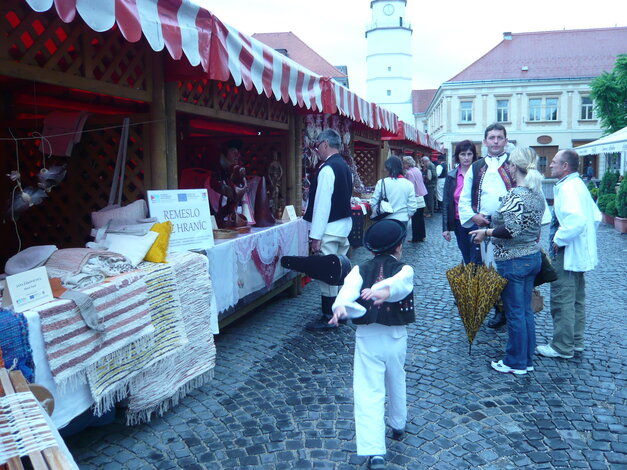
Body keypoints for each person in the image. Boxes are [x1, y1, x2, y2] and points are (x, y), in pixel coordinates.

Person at [329, 219, 414, 470]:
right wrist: (385, 290)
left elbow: (347, 291)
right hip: (396, 335)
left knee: (368, 390)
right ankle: (398, 423)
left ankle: (374, 451)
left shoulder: (358, 270)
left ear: (371, 249)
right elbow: (402, 283)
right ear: (399, 246)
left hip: (367, 336)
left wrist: (341, 307)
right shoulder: (405, 268)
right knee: (396, 377)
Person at [470, 147, 545, 375]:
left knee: (515, 313)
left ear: (515, 167)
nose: (509, 168)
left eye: (510, 164)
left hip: (513, 261)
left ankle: (515, 362)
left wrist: (488, 232)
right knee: (524, 312)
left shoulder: (516, 194)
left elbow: (510, 229)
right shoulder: (537, 194)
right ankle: (526, 359)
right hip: (531, 256)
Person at [536, 149, 601, 359]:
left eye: (555, 162)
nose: (551, 165)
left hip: (567, 252)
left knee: (562, 298)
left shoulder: (568, 188)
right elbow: (595, 217)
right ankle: (576, 341)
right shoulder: (577, 185)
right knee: (576, 299)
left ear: (565, 166)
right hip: (578, 251)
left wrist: (558, 239)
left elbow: (577, 221)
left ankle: (562, 346)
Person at [458, 123, 514, 328]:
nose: (496, 141)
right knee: (488, 270)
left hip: (509, 227)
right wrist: (474, 217)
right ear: (485, 142)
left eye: (500, 137)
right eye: (492, 138)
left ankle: (511, 308)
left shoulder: (515, 164)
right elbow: (464, 196)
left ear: (506, 141)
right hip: (484, 226)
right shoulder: (476, 166)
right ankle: (498, 309)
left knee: (508, 269)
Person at [303, 129, 353, 331]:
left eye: (317, 146)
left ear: (324, 144)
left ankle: (329, 316)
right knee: (339, 273)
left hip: (329, 229)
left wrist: (315, 236)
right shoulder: (344, 166)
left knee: (327, 275)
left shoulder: (327, 169)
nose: (317, 150)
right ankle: (339, 313)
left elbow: (322, 206)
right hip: (342, 226)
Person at [442, 140, 481, 264]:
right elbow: (447, 203)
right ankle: (471, 281)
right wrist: (445, 227)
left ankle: (477, 281)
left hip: (476, 220)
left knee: (477, 255)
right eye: (463, 154)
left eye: (469, 154)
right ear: (458, 156)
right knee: (466, 255)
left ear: (474, 155)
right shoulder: (452, 176)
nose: (466, 158)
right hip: (460, 222)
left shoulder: (479, 174)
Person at [370, 156, 417, 226]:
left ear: (388, 168)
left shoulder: (382, 182)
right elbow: (412, 206)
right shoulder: (409, 184)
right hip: (402, 219)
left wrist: (377, 213)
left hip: (384, 219)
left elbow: (373, 202)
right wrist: (407, 216)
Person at [402, 156, 427, 242]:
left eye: (404, 163)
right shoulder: (417, 170)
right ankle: (422, 236)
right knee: (420, 218)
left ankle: (416, 237)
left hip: (415, 196)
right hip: (422, 195)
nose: (403, 165)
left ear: (407, 163)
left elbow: (410, 186)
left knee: (415, 219)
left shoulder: (409, 173)